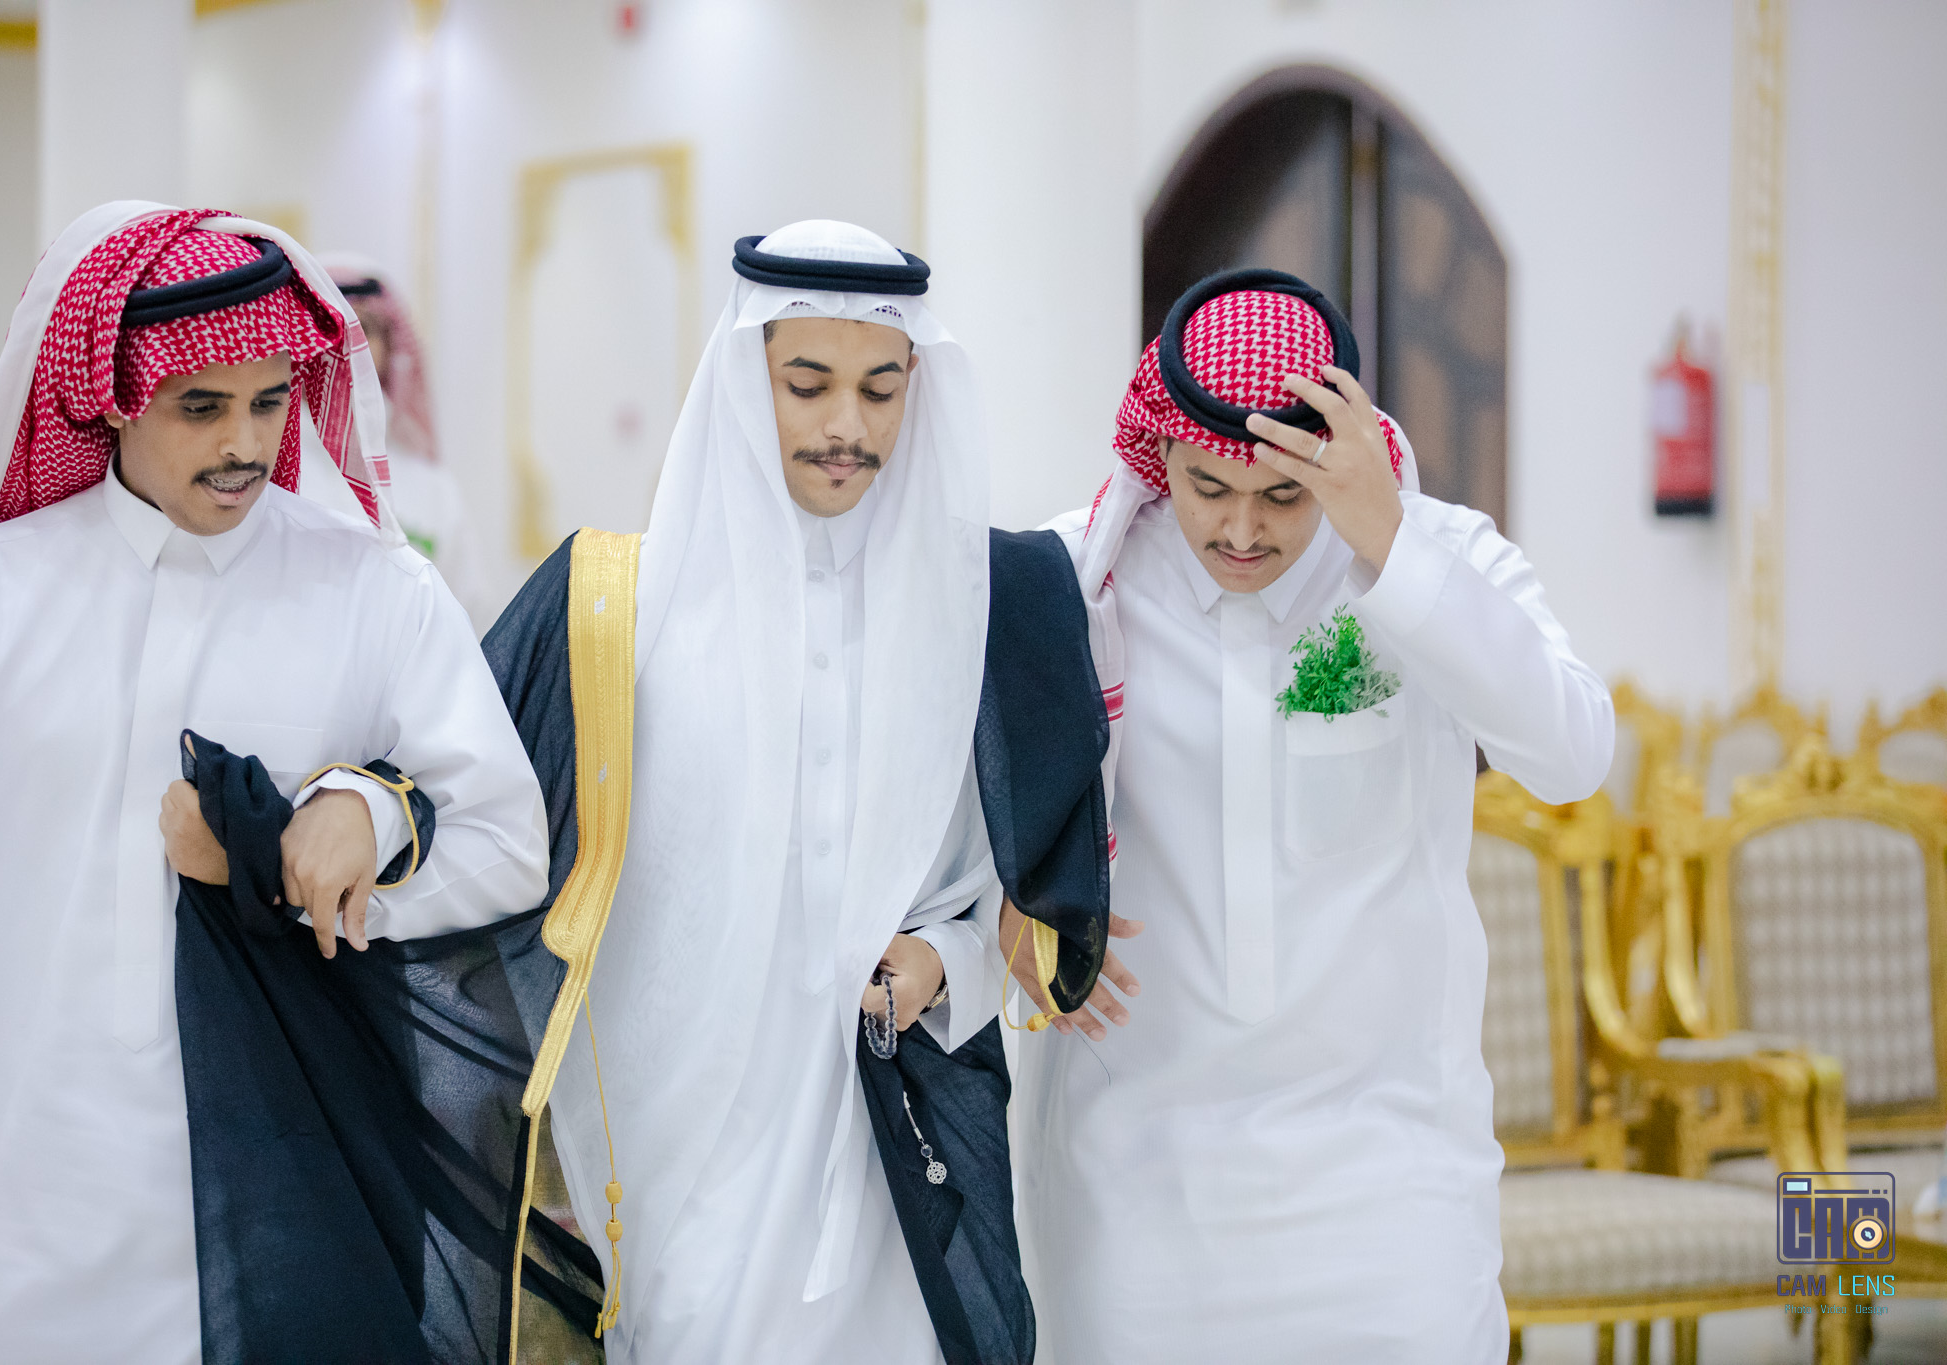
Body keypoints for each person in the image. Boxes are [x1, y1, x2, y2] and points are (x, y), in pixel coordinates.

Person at [0, 202, 548, 1363]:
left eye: (270, 402)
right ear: (109, 396)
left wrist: (365, 823)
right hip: (34, 1190)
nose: (244, 443)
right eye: (201, 407)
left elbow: (506, 843)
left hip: (290, 1171)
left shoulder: (373, 591)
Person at [1006, 270, 1614, 1363]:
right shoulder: (1071, 585)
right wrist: (1004, 899)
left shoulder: (1439, 555)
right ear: (1161, 452)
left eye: (1283, 496)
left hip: (1389, 1185)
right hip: (1137, 1189)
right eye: (1206, 487)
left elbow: (1572, 755)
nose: (1240, 529)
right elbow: (954, 808)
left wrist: (1393, 546)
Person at [483, 221, 1042, 1365]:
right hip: (685, 1151)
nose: (847, 427)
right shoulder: (616, 613)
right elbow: (473, 825)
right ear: (745, 383)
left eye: (880, 390)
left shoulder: (975, 616)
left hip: (886, 1137)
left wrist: (946, 961)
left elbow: (1007, 883)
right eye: (808, 385)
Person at [317, 253, 494, 628]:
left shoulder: (433, 489)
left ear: (389, 344)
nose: (349, 345)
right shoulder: (271, 472)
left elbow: (472, 618)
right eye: (331, 328)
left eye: (365, 328)